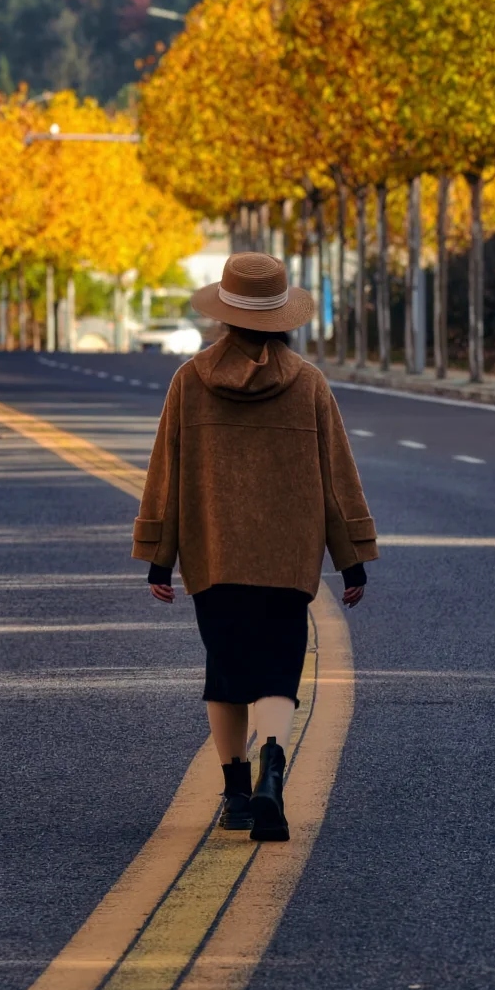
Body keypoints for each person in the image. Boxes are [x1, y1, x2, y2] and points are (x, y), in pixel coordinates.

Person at [134, 250, 378, 841]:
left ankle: (237, 793)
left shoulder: (190, 382)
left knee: (226, 672)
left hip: (213, 556)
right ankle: (273, 765)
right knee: (276, 674)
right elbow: (337, 477)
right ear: (283, 317)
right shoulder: (311, 385)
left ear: (223, 314)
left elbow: (166, 473)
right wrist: (351, 558)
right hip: (288, 561)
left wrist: (158, 555)